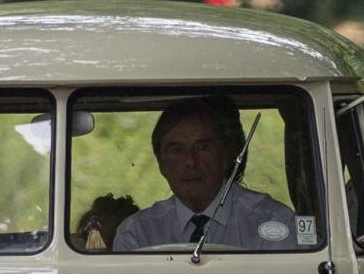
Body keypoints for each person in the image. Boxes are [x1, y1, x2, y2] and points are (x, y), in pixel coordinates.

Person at [113, 98, 301, 251]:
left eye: (203, 147)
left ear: (226, 157)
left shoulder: (272, 219)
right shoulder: (137, 232)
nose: (190, 162)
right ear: (161, 164)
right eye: (176, 150)